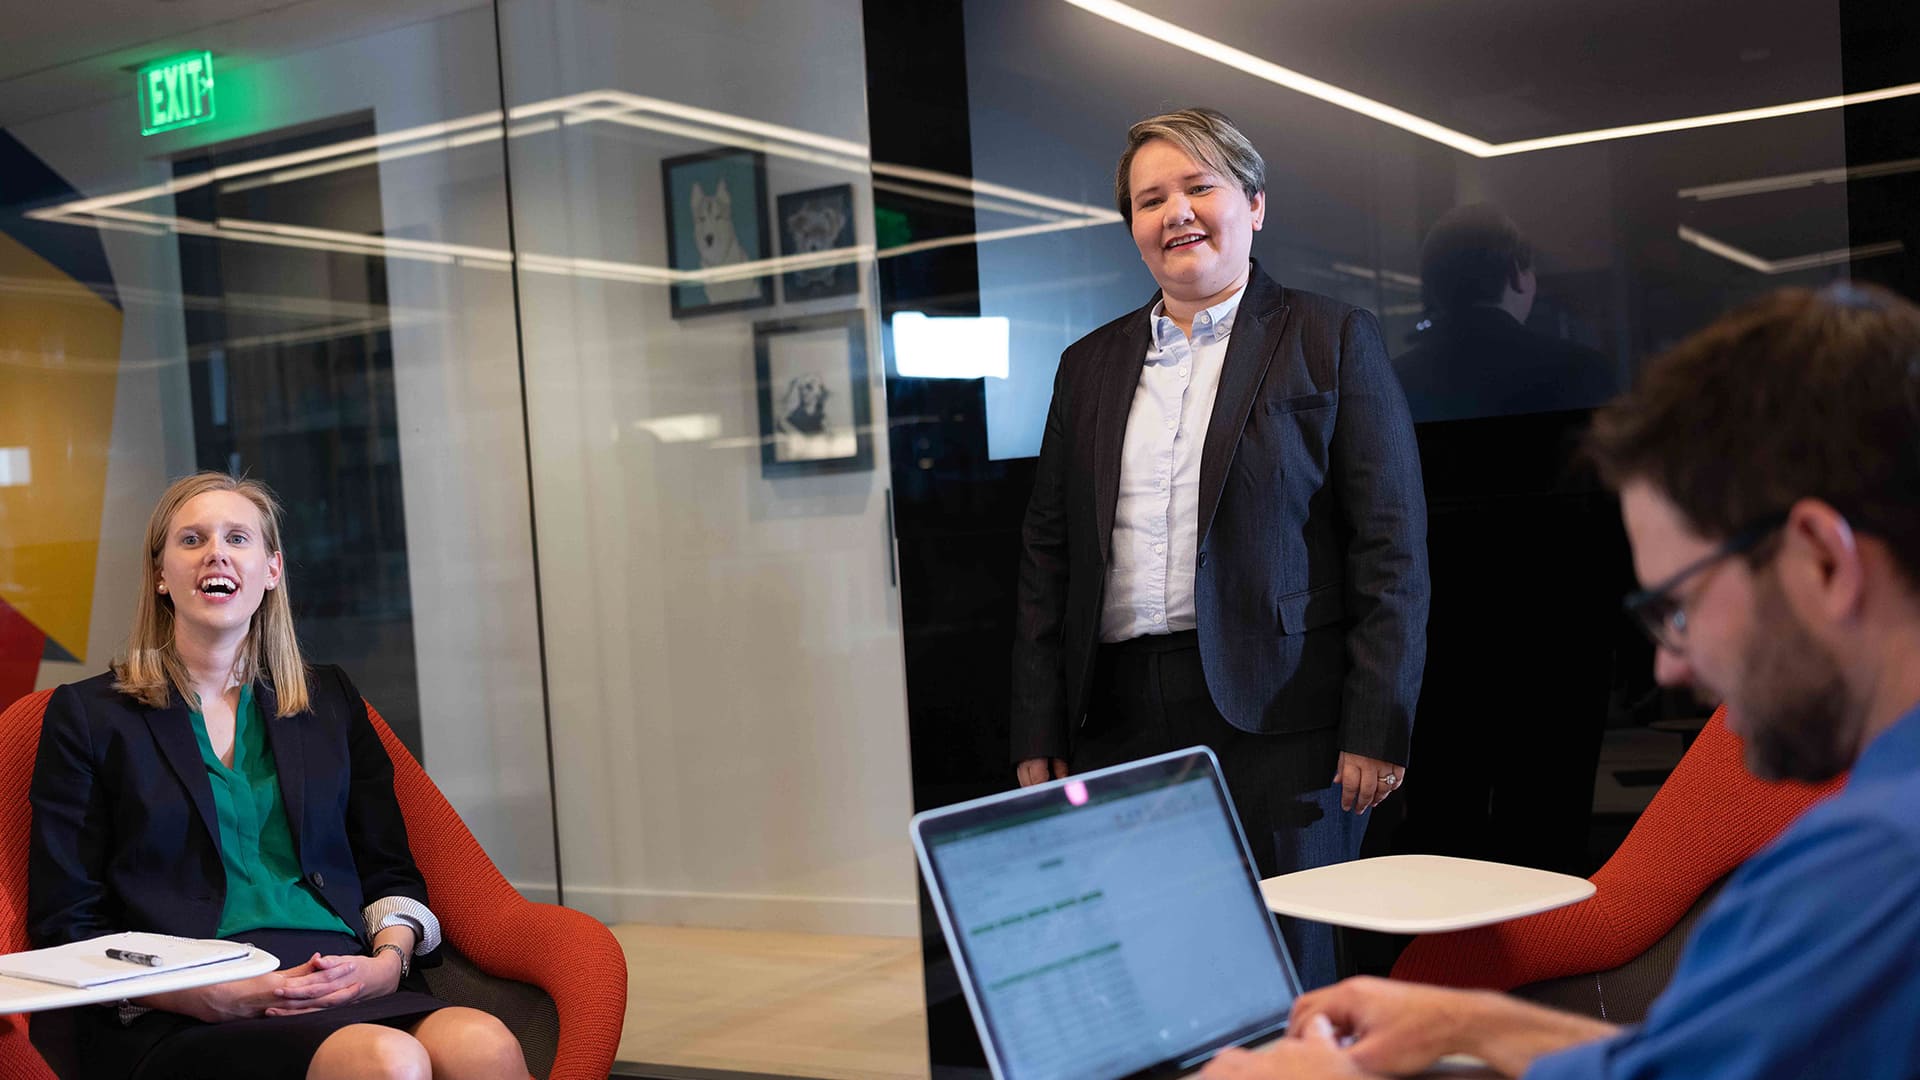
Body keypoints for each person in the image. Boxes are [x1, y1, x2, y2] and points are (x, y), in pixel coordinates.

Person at [1199, 283, 1920, 1078]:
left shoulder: (1875, 866)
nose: (1668, 666)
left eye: (1679, 606)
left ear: (1822, 560)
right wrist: (1461, 1022)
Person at [1009, 107, 1429, 989]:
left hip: (1286, 719)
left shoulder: (1331, 336)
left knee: (1296, 975)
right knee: (1161, 974)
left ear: (1255, 204)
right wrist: (1039, 725)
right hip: (1121, 717)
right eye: (1149, 199)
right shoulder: (1086, 365)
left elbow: (1390, 551)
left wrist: (1376, 720)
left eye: (1199, 186)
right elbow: (1049, 557)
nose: (1177, 213)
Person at [28, 472, 526, 1080]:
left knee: (487, 1046)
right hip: (186, 1005)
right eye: (191, 539)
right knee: (390, 1061)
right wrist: (202, 994)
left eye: (238, 538)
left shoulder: (329, 699)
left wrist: (386, 963)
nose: (216, 552)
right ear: (160, 575)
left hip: (340, 974)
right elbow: (67, 919)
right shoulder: (89, 715)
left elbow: (388, 866)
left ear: (271, 569)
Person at [1389, 205, 1630, 874]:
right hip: (1560, 648)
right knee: (1547, 835)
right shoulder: (1582, 371)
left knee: (1442, 834)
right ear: (1519, 275)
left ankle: (1438, 972)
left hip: (1437, 651)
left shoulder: (1391, 382)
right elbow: (1614, 519)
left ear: (1432, 287)